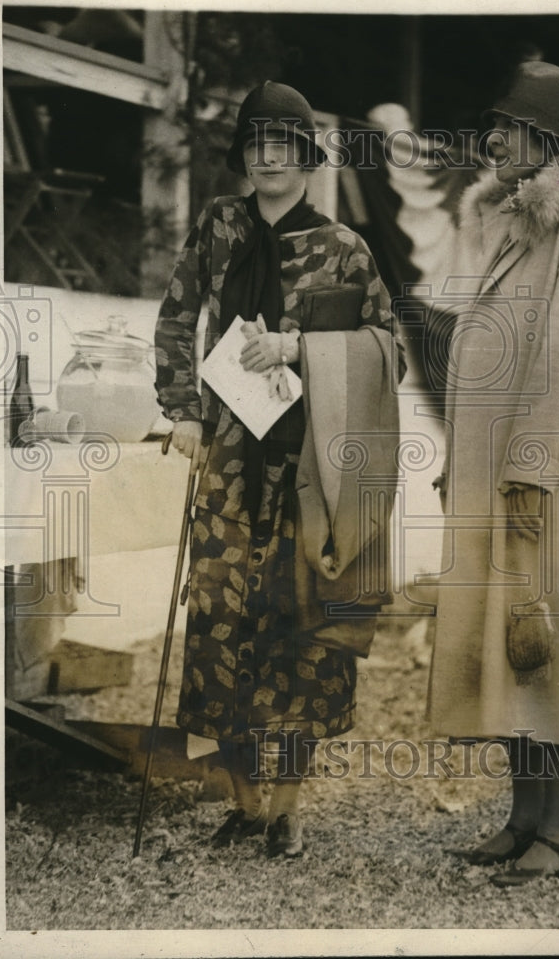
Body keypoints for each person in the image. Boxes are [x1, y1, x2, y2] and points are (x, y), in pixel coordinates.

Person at [154, 81, 404, 859]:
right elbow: (173, 315)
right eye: (255, 141)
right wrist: (184, 409)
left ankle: (287, 807)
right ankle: (243, 802)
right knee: (221, 623)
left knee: (301, 628)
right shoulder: (219, 225)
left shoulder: (343, 249)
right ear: (244, 152)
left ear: (304, 154)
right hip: (230, 461)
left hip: (309, 469)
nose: (268, 155)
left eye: (282, 142)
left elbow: (388, 348)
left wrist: (303, 350)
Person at [428, 62, 559, 885]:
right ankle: (521, 820)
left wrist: (529, 476)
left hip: (547, 486)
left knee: (553, 648)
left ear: (547, 138)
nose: (493, 139)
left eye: (508, 126)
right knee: (515, 650)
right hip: (498, 479)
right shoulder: (522, 228)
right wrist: (459, 466)